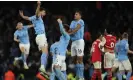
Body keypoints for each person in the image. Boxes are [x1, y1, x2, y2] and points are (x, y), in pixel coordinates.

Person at [19, 1, 48, 77]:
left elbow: (27, 18)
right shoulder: (37, 17)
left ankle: (43, 69)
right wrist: (38, 5)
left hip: (38, 37)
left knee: (45, 52)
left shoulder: (33, 18)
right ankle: (42, 67)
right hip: (41, 36)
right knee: (45, 52)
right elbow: (36, 13)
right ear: (40, 12)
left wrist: (22, 16)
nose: (45, 13)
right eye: (44, 12)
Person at [69, 10, 85, 80]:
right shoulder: (72, 22)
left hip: (79, 41)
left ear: (80, 16)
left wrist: (70, 33)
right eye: (74, 14)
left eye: (76, 14)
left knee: (80, 59)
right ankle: (78, 75)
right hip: (73, 42)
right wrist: (67, 32)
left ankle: (81, 77)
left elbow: (77, 28)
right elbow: (70, 30)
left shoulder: (81, 21)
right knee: (74, 59)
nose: (75, 15)